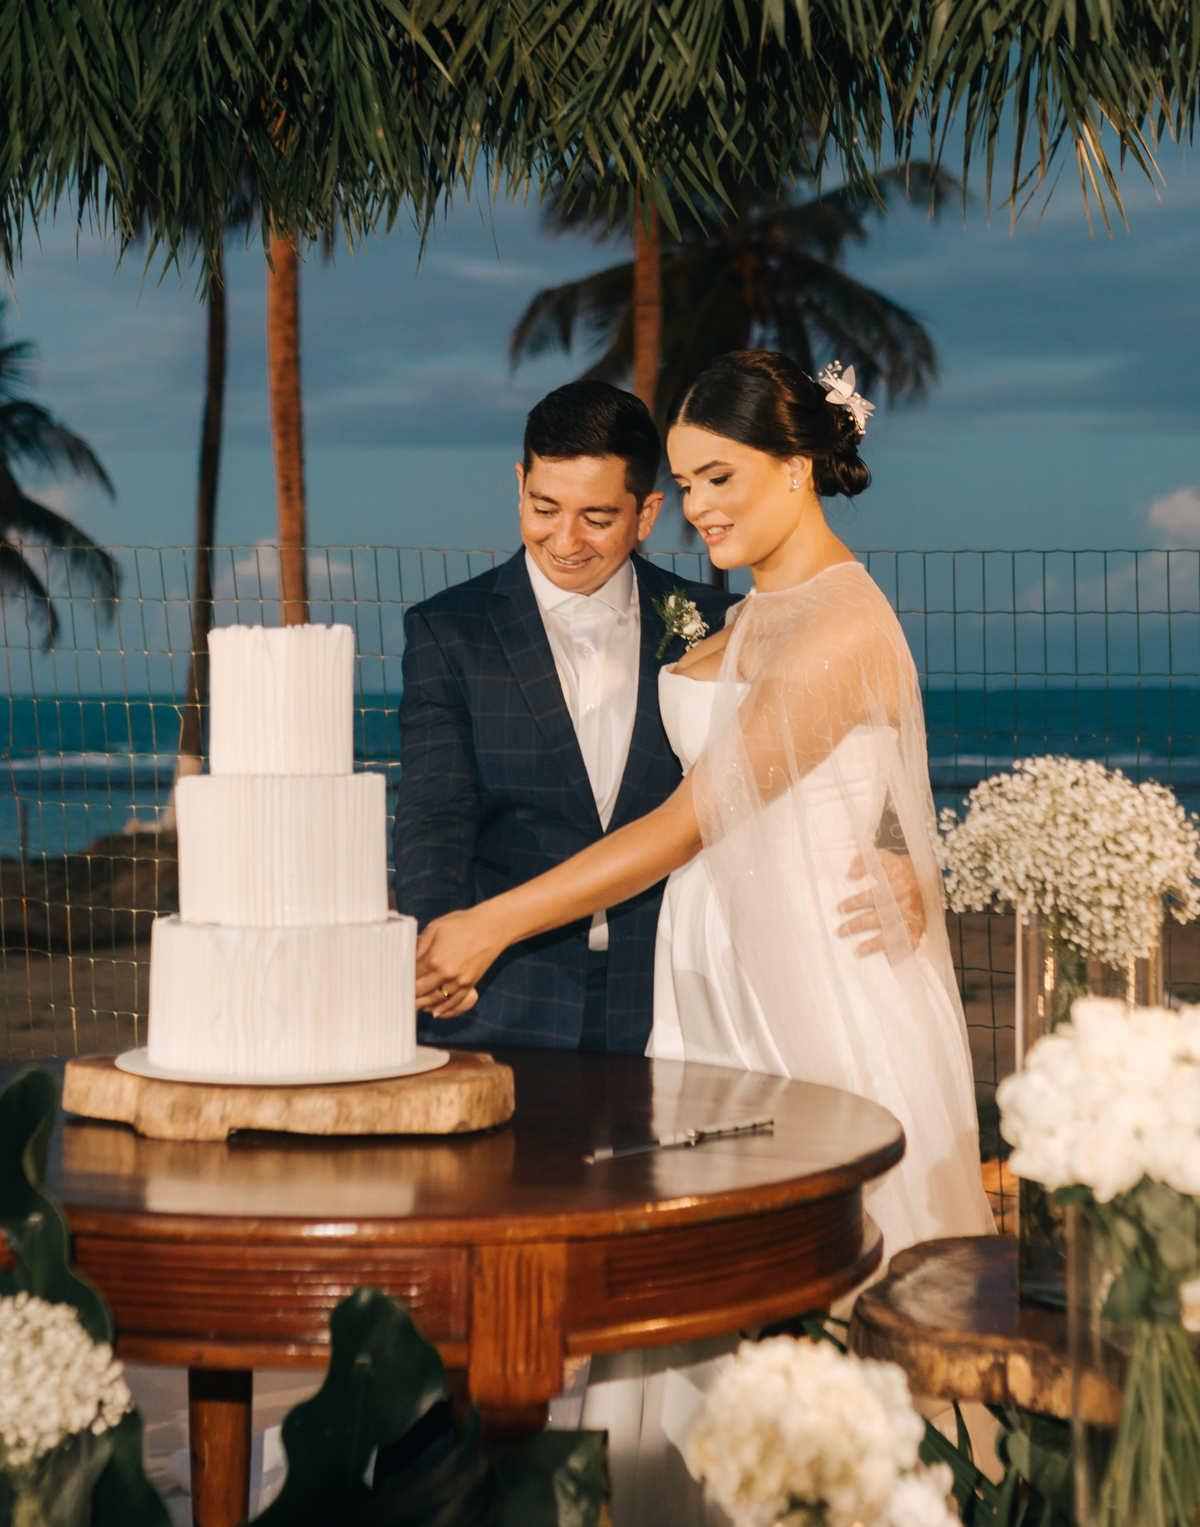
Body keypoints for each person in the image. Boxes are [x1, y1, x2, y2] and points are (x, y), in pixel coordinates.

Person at [412, 353, 991, 1526]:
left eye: (719, 477)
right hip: (719, 989)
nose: (704, 506)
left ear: (798, 464)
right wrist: (889, 841)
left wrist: (491, 920)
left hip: (809, 994)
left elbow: (686, 819)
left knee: (832, 1291)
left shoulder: (834, 615)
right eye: (687, 484)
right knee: (712, 1291)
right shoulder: (754, 604)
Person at [392, 380, 731, 1052]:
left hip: (676, 994)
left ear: (647, 513)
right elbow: (435, 814)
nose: (566, 539)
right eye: (545, 507)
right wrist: (437, 953)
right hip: (503, 994)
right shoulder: (447, 630)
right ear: (520, 484)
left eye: (598, 518)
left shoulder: (716, 625)